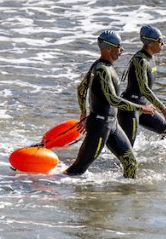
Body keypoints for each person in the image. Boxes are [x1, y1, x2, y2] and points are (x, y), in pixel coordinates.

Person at [64, 30, 155, 179]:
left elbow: (81, 88)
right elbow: (113, 99)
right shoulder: (102, 70)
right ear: (108, 48)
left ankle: (124, 196)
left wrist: (83, 112)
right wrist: (141, 108)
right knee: (77, 170)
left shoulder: (102, 66)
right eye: (119, 46)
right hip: (99, 126)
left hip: (112, 125)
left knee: (131, 163)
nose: (122, 49)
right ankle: (49, 187)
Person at [117, 25, 166, 145]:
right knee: (128, 148)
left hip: (144, 106)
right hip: (130, 107)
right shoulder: (140, 60)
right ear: (149, 43)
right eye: (159, 41)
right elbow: (144, 89)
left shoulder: (150, 58)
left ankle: (154, 161)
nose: (162, 43)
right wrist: (163, 108)